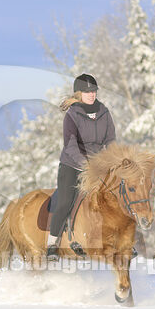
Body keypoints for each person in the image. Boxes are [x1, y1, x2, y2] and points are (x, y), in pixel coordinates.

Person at [47, 74, 117, 260]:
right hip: (72, 164)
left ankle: (119, 240)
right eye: (87, 92)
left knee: (116, 196)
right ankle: (52, 244)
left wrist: (112, 160)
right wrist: (85, 165)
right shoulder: (72, 115)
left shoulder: (104, 112)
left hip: (98, 165)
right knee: (65, 201)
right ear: (79, 94)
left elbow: (110, 140)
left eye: (93, 91)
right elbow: (70, 145)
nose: (91, 94)